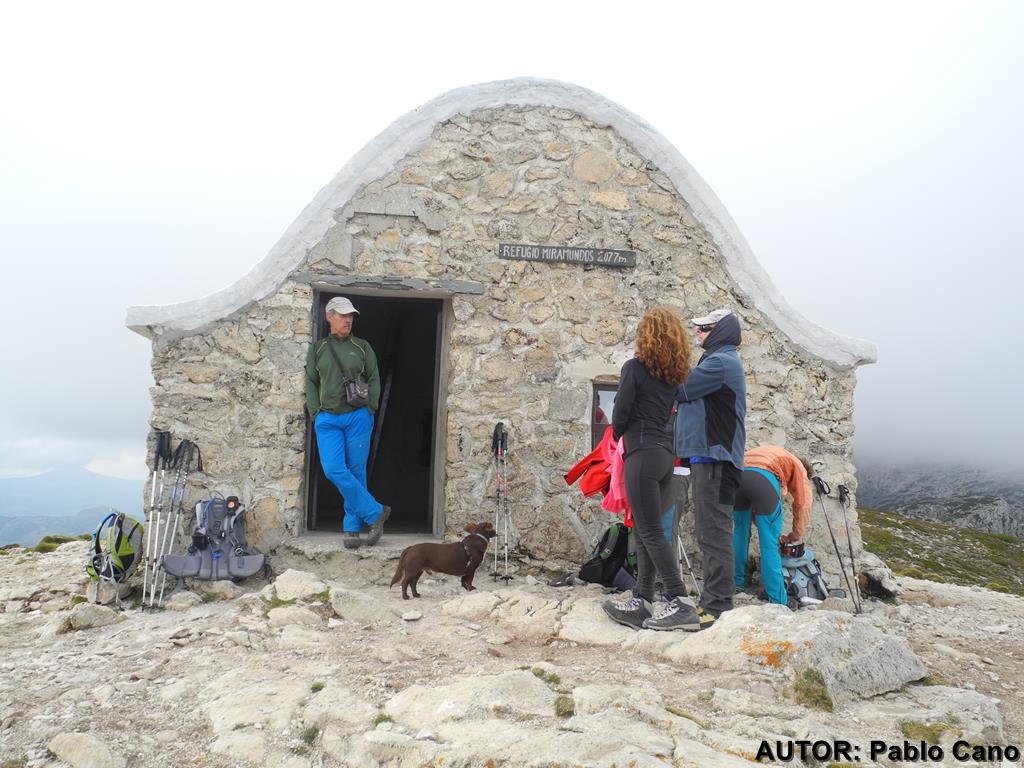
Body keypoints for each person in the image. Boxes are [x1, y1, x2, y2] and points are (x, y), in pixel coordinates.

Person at [602, 307, 702, 631]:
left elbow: (621, 411)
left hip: (641, 455)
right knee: (647, 529)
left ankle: (681, 601)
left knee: (649, 531)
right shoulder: (673, 377)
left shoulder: (633, 368)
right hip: (664, 456)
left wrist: (618, 436)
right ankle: (642, 599)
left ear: (646, 337)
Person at [673, 308, 746, 627]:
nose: (698, 333)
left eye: (705, 328)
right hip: (710, 458)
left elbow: (680, 389)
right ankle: (716, 601)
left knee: (713, 532)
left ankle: (717, 606)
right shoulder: (718, 361)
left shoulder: (720, 363)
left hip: (716, 459)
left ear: (721, 331)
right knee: (710, 531)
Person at [304, 296, 390, 549]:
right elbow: (311, 381)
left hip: (358, 418)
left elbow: (374, 378)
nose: (348, 319)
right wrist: (315, 412)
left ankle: (351, 528)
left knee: (356, 471)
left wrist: (371, 408)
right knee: (333, 469)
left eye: (351, 315)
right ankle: (375, 513)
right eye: (342, 315)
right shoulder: (318, 348)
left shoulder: (362, 347)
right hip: (327, 419)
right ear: (329, 317)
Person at [733, 445, 813, 605]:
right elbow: (803, 503)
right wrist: (795, 535)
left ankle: (736, 584)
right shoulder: (799, 468)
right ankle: (778, 600)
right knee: (770, 544)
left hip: (737, 477)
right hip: (763, 479)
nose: (790, 490)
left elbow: (757, 507)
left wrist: (762, 523)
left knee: (740, 532)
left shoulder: (773, 453)